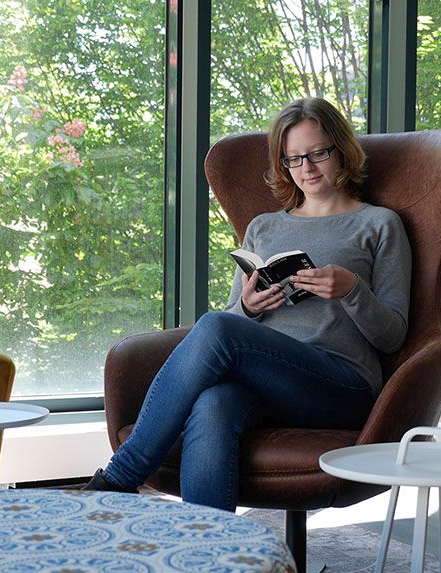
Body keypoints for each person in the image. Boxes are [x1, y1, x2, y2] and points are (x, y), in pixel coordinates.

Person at [84, 98, 412, 511]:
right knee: (214, 401)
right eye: (293, 159)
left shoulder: (379, 224)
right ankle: (211, 553)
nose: (307, 168)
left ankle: (121, 476)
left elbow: (394, 334)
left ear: (341, 151)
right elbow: (232, 323)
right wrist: (251, 307)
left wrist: (351, 291)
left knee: (218, 327)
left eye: (317, 153)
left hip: (340, 385)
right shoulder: (264, 226)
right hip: (268, 381)